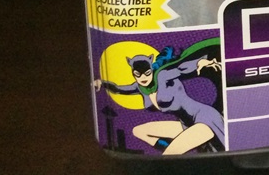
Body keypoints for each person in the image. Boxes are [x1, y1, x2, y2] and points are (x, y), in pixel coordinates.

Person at [94, 40, 225, 155]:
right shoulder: (139, 87)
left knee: (171, 153)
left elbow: (181, 69)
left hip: (205, 118)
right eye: (138, 75)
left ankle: (173, 151)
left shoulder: (162, 76)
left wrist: (200, 62)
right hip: (186, 124)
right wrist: (102, 83)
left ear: (151, 70)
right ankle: (173, 149)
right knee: (139, 131)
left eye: (147, 73)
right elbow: (118, 88)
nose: (143, 78)